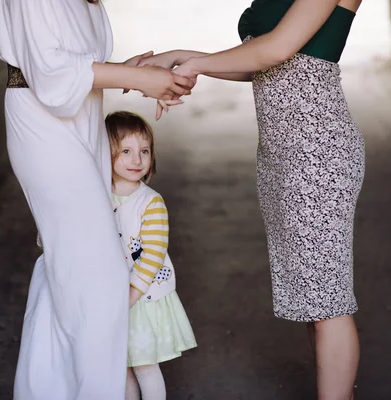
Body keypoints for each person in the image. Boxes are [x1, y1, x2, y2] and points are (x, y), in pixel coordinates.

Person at [140, 1, 364, 398]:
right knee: (314, 300)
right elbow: (259, 63)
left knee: (327, 300)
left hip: (317, 152)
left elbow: (276, 49)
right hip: (282, 155)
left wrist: (194, 66)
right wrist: (181, 56)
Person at [0, 1, 194, 399]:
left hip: (83, 119)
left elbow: (77, 66)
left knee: (68, 272)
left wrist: (139, 73)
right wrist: (136, 77)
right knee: (98, 281)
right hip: (43, 125)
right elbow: (50, 73)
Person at [106, 111, 197, 400]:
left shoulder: (151, 203)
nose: (137, 160)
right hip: (112, 295)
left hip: (142, 298)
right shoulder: (98, 195)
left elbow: (153, 255)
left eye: (144, 151)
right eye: (126, 151)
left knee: (144, 366)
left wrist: (130, 295)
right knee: (121, 367)